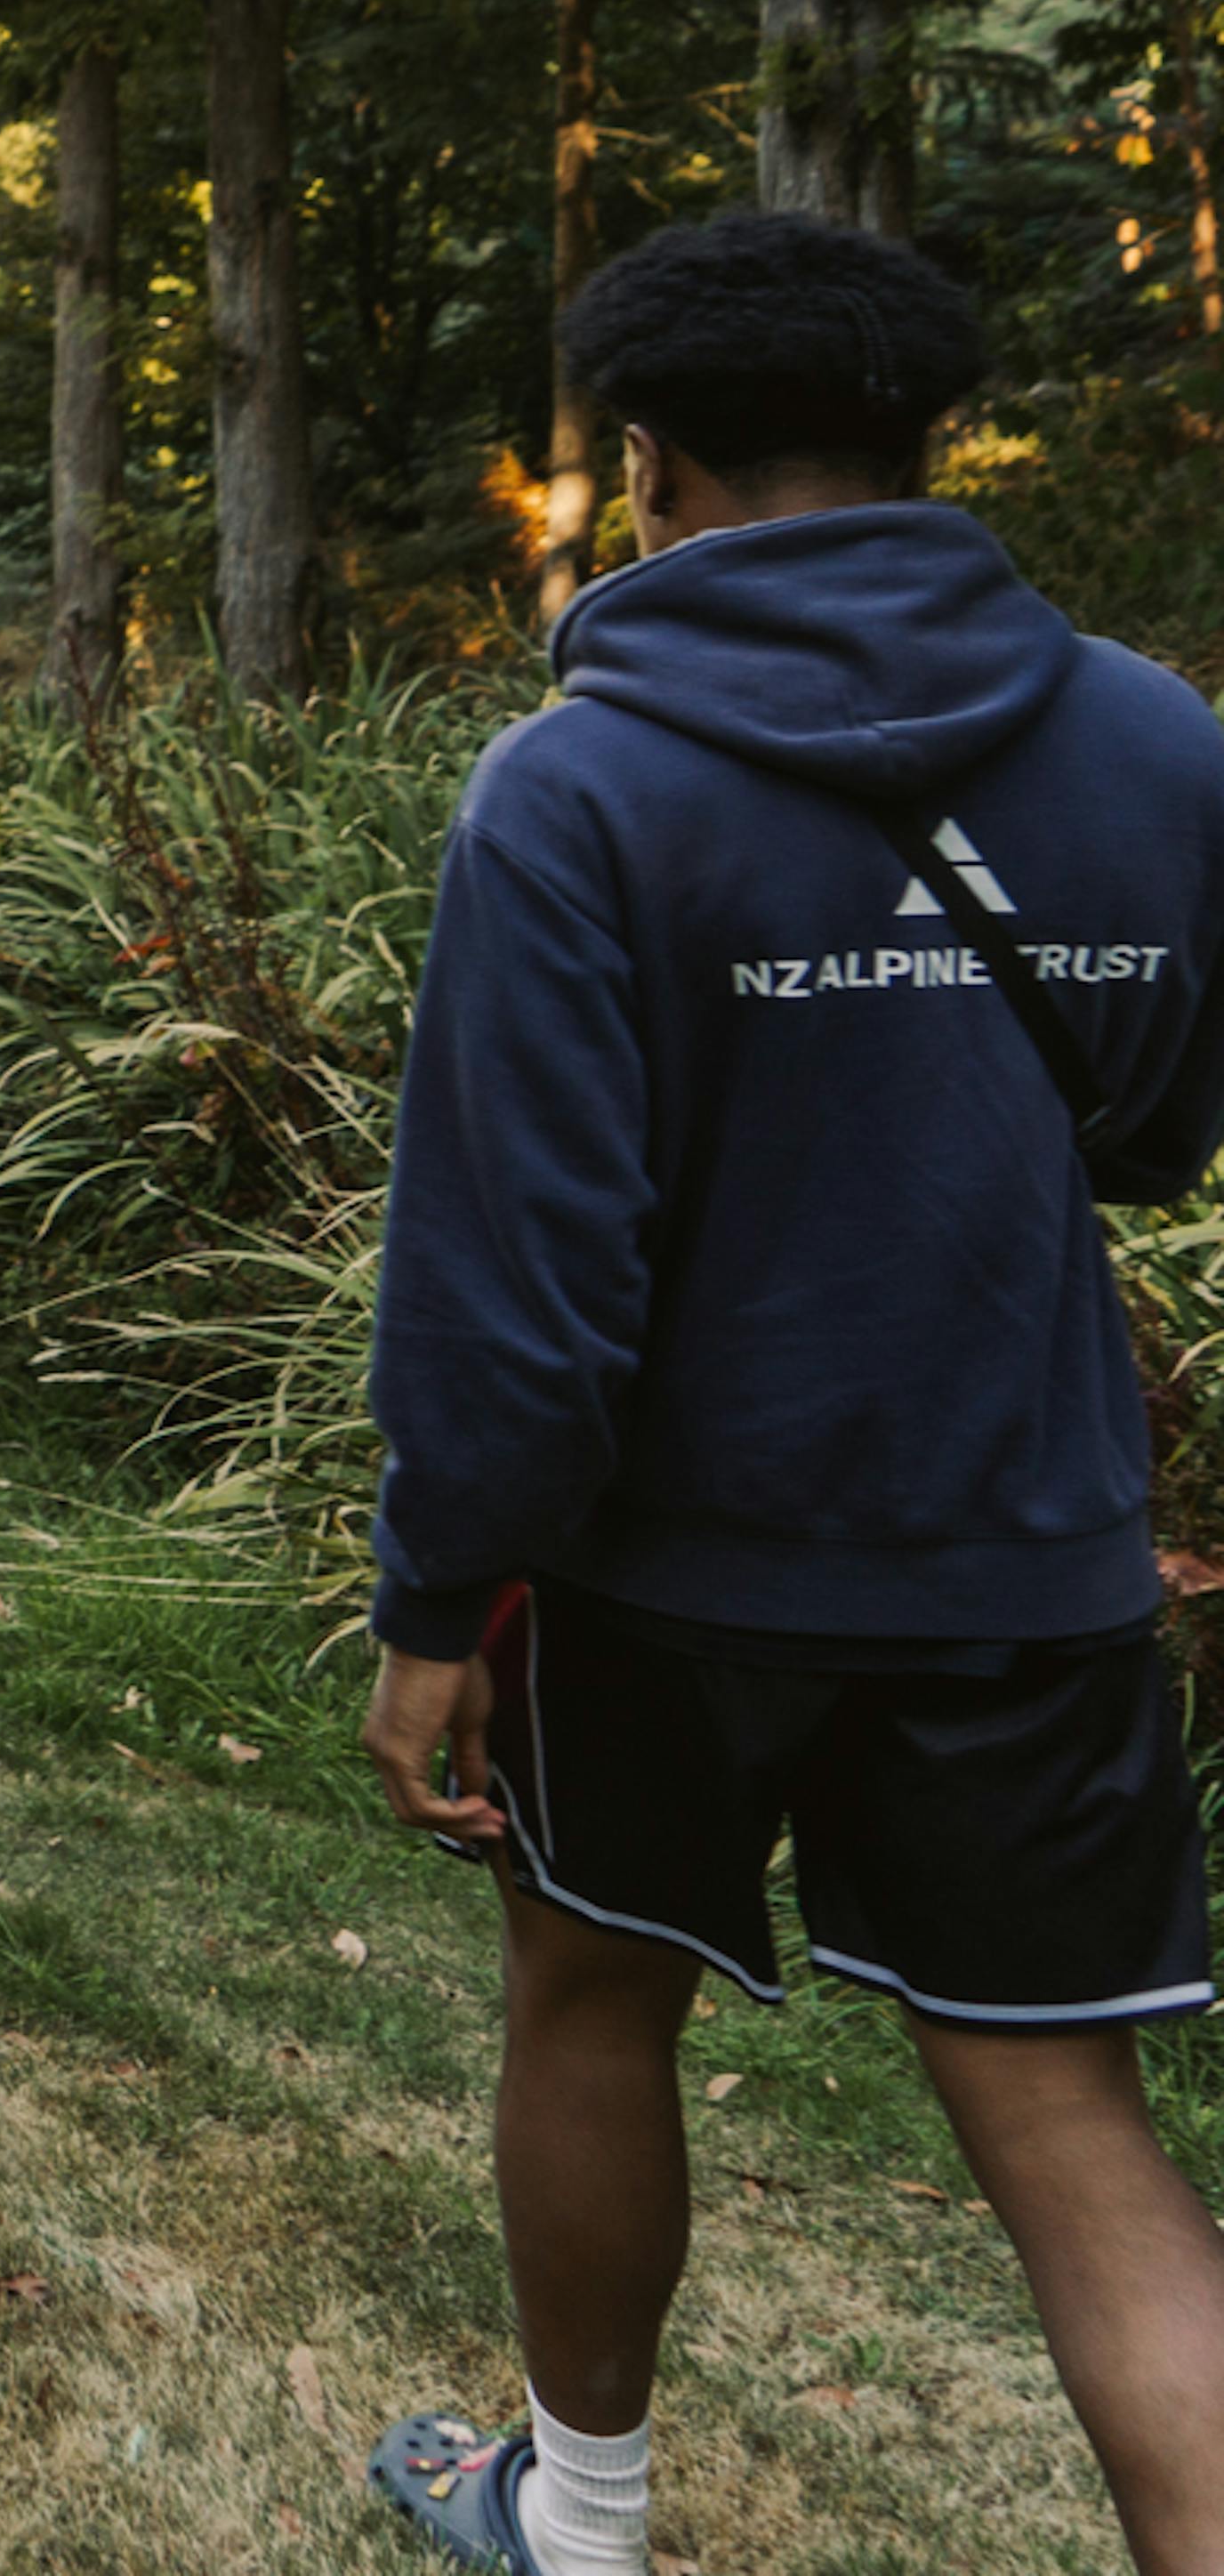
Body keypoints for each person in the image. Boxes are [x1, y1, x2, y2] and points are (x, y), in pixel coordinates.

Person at [355, 211, 1224, 2576]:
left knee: (589, 2003)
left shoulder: (577, 793)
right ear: (923, 446)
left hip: (661, 1578)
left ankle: (584, 2520)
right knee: (1068, 2123)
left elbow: (520, 1284)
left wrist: (438, 1599)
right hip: (1020, 1545)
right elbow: (1155, 1123)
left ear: (644, 472)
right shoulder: (1157, 745)